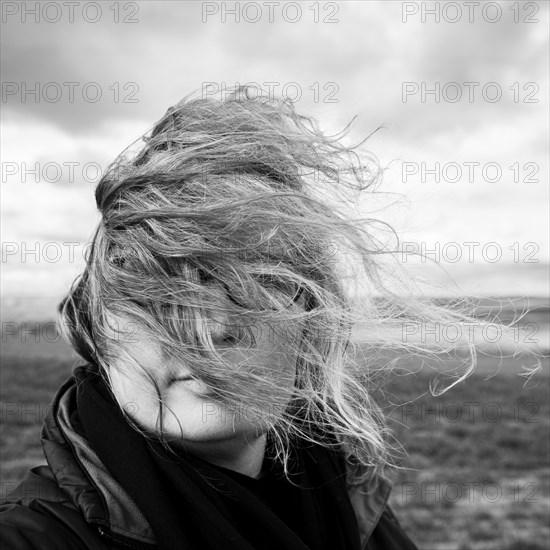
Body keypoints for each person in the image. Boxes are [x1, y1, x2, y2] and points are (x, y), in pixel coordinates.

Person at [0, 86, 443, 549]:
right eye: (160, 292)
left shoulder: (357, 507)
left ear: (309, 324)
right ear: (96, 328)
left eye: (258, 281)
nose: (212, 330)